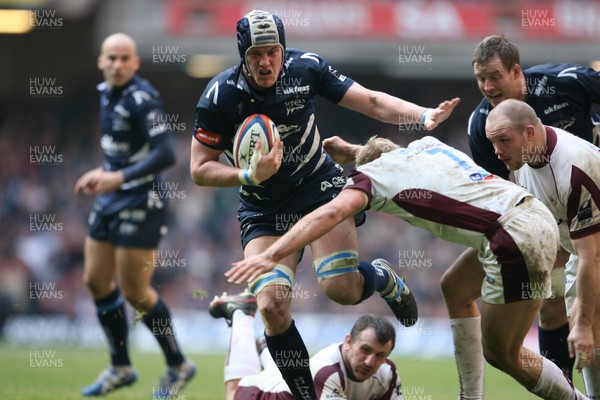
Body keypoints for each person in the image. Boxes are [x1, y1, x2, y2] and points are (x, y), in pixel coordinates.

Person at [190, 9, 459, 400]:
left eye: (272, 51)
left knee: (341, 290)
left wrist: (421, 115)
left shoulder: (306, 68)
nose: (266, 62)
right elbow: (199, 169)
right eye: (255, 55)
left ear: (283, 49)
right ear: (242, 56)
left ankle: (379, 278)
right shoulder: (219, 96)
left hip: (321, 189)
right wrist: (249, 175)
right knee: (271, 306)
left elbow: (370, 101)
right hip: (263, 209)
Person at [227, 134, 589, 400]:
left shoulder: (370, 180)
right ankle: (471, 397)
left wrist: (272, 253)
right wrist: (356, 151)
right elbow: (387, 156)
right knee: (455, 288)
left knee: (502, 352)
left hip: (511, 237)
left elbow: (334, 211)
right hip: (532, 215)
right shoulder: (428, 147)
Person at [452, 34, 600, 385]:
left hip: (589, 192)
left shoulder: (564, 83)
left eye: (494, 76)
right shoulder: (483, 128)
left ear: (516, 71)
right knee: (550, 304)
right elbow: (503, 195)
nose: (487, 86)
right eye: (480, 78)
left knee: (587, 306)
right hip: (552, 211)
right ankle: (564, 390)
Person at [74, 33, 195, 398]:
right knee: (95, 281)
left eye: (125, 58)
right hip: (111, 198)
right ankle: (121, 366)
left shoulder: (144, 100)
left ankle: (177, 365)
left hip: (142, 203)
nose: (117, 64)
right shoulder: (105, 93)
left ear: (135, 62)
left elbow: (165, 154)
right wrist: (103, 172)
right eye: (111, 58)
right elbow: (124, 152)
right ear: (101, 61)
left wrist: (116, 177)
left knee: (135, 292)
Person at [485, 99, 600, 398]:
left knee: (589, 325)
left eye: (504, 140)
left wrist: (586, 323)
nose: (497, 150)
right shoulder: (520, 163)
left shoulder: (575, 168)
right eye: (493, 141)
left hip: (593, 252)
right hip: (582, 251)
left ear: (530, 132)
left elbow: (593, 256)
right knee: (582, 325)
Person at [209, 291, 402, 400]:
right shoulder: (327, 372)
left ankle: (267, 351)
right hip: (263, 395)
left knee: (287, 372)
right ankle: (240, 313)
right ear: (348, 342)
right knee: (234, 392)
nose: (370, 361)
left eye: (380, 355)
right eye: (365, 350)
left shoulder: (388, 373)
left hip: (295, 382)